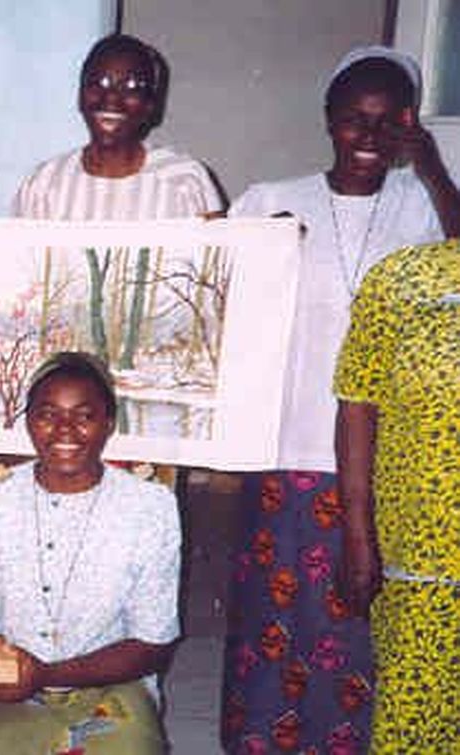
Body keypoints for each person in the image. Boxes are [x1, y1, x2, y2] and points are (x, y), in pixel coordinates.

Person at [221, 47, 460, 754]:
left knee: (359, 621)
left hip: (386, 461)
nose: (368, 136)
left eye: (388, 125)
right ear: (328, 120)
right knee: (277, 615)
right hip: (285, 440)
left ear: (408, 129)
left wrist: (431, 167)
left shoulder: (421, 203)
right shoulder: (272, 199)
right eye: (355, 119)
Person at [0, 351, 181, 754]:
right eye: (48, 414)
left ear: (108, 423)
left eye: (84, 415)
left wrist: (44, 674)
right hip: (4, 681)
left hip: (110, 683)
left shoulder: (149, 508)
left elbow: (153, 644)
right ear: (27, 422)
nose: (65, 431)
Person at [334, 238, 460, 752]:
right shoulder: (404, 277)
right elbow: (356, 403)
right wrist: (358, 534)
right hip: (423, 557)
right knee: (416, 723)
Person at [13, 33, 222, 220]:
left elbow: (219, 258)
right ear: (80, 96)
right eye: (99, 83)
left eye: (131, 87)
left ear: (150, 105)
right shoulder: (43, 184)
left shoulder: (186, 179)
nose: (111, 98)